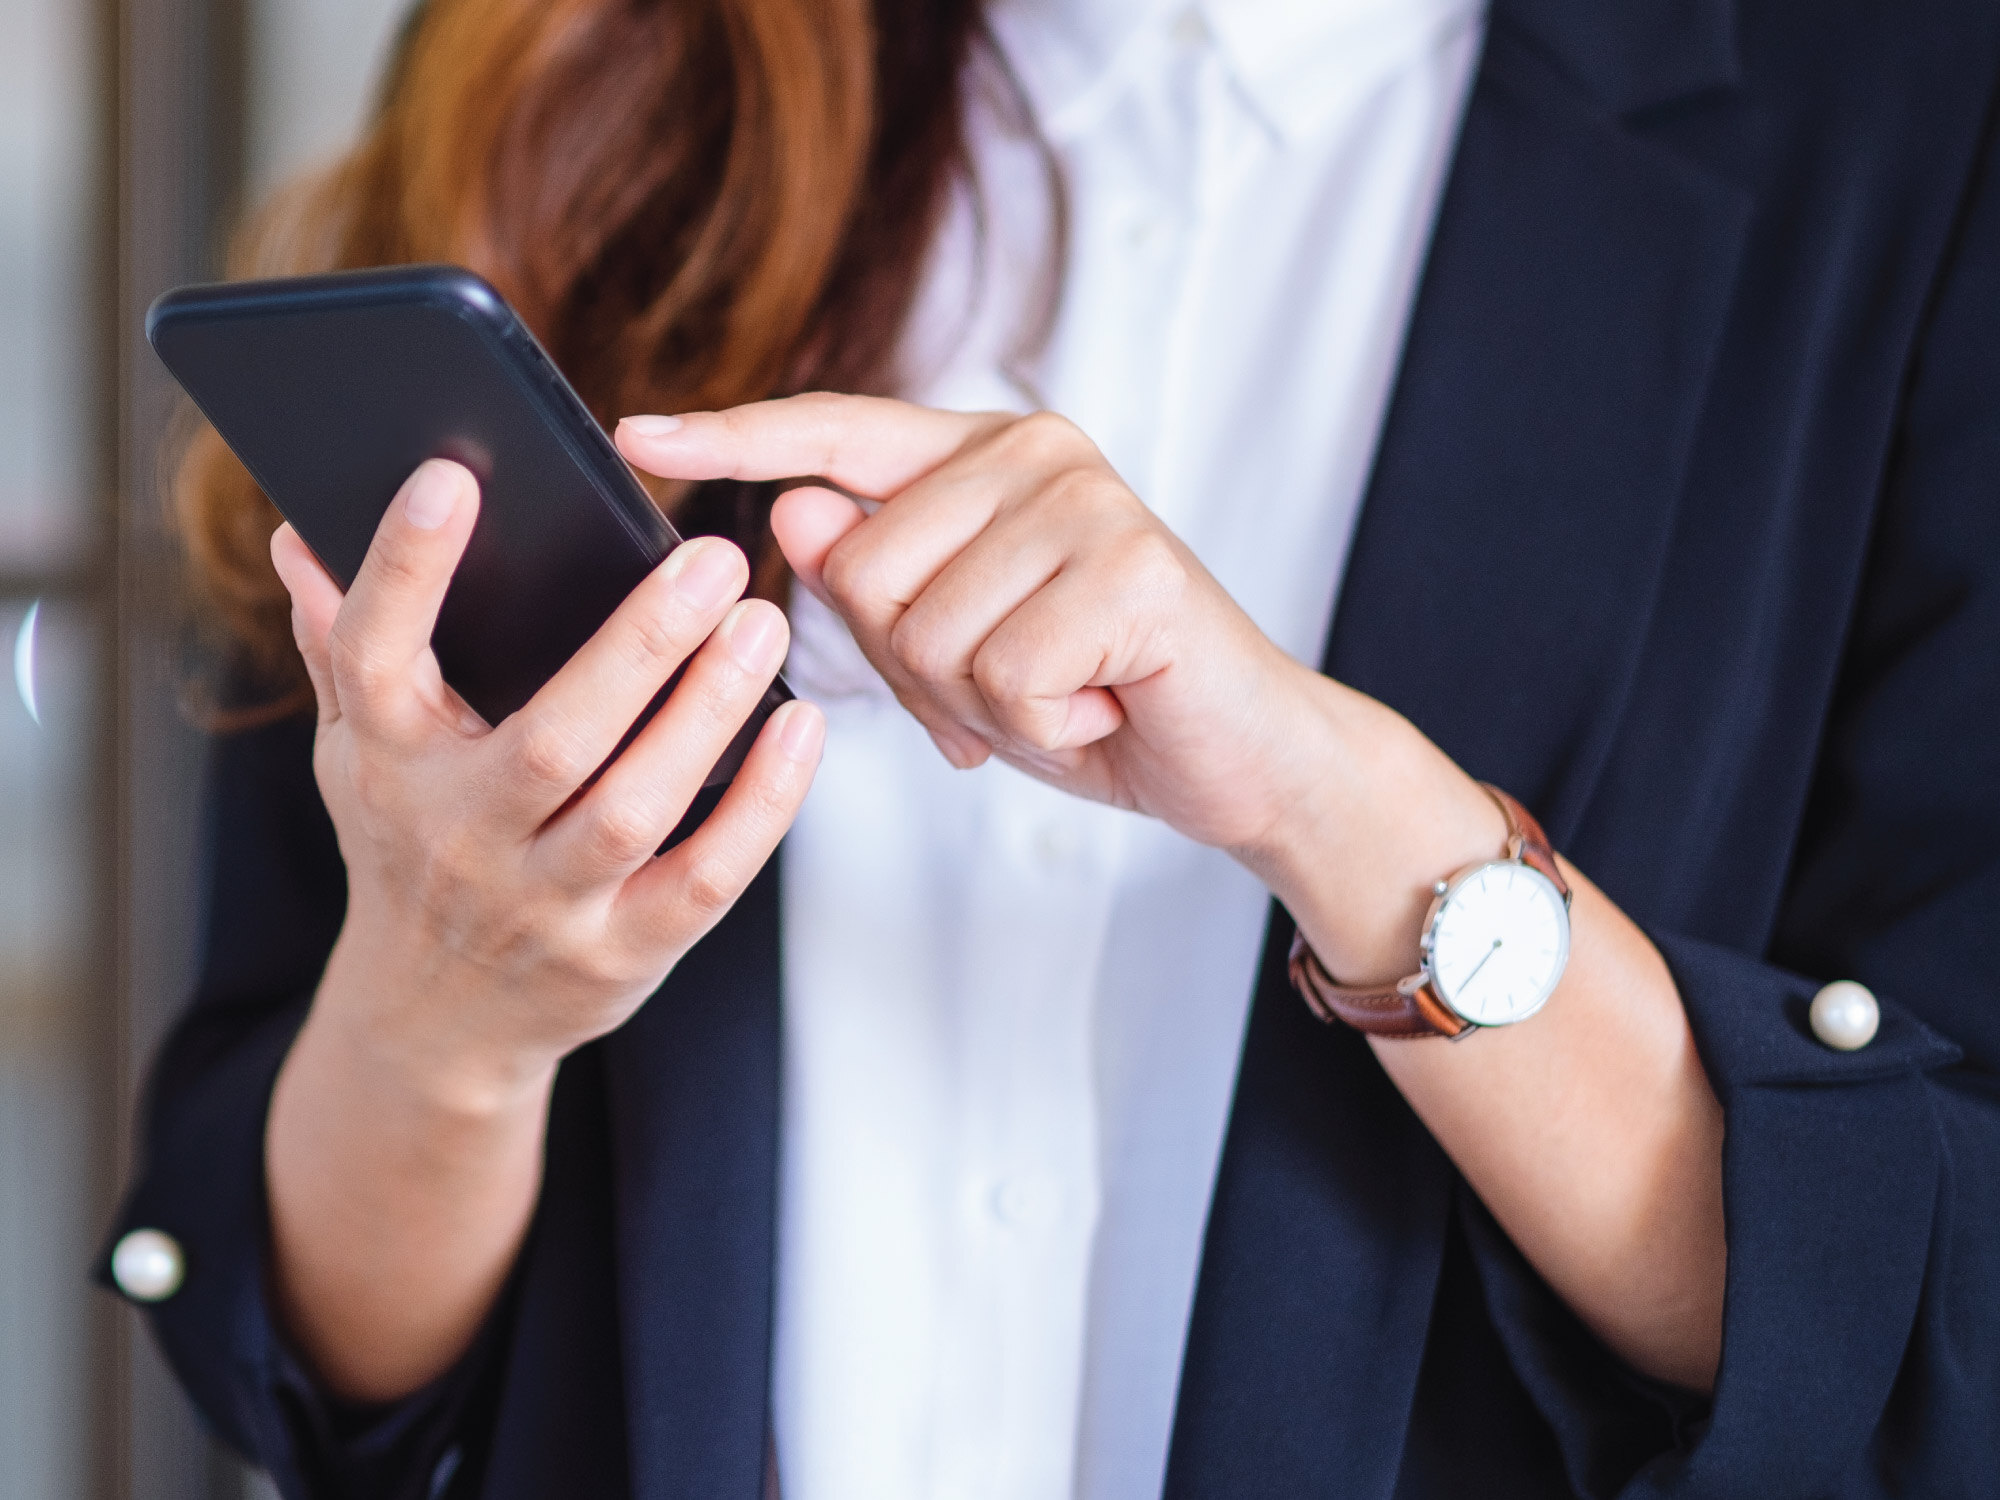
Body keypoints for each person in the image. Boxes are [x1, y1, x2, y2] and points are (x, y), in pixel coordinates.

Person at [101, 0, 2000, 1495]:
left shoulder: (1911, 121)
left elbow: (1939, 1312)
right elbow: (312, 1373)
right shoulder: (580, 72)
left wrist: (1332, 810)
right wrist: (447, 1026)